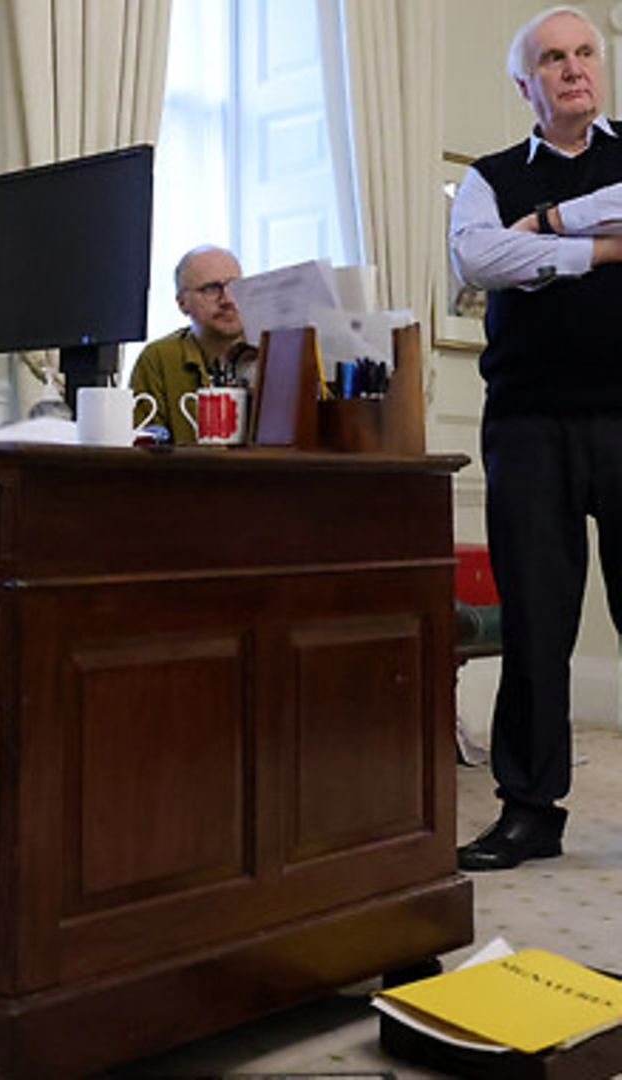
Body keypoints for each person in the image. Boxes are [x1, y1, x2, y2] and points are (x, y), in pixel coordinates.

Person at [449, 5, 622, 871]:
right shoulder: (486, 178)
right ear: (527, 84)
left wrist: (552, 226)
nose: (573, 68)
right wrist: (601, 251)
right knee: (537, 626)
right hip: (525, 426)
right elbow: (479, 260)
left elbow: (519, 249)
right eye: (552, 58)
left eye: (585, 52)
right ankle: (529, 811)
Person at [128, 245, 250, 445]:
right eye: (212, 289)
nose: (228, 299)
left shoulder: (275, 349)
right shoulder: (159, 358)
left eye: (235, 286)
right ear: (182, 303)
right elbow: (142, 447)